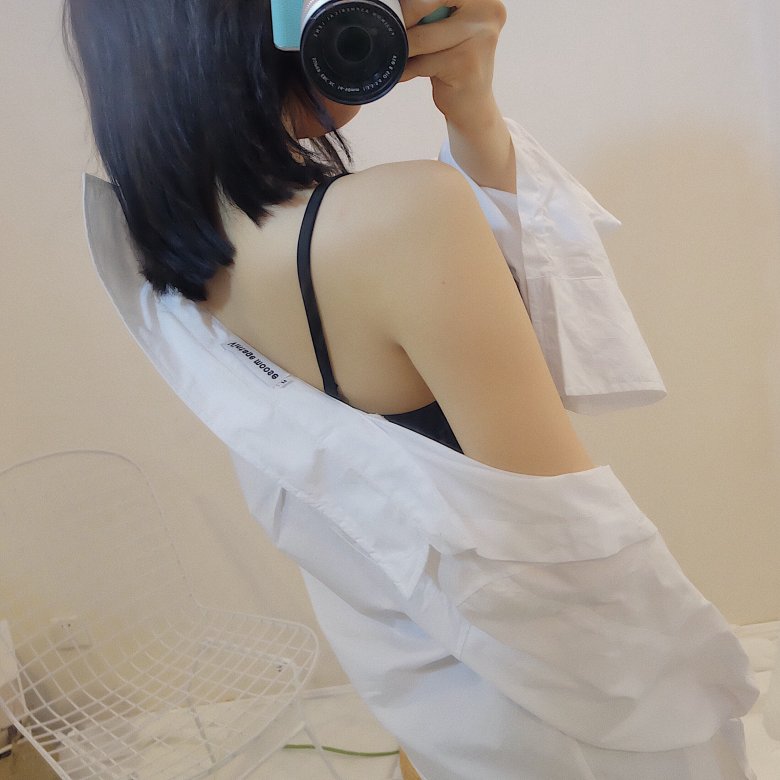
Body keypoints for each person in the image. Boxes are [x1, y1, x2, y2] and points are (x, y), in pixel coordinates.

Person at [67, 1, 759, 778]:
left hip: (425, 695)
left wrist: (472, 109)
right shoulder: (398, 219)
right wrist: (695, 693)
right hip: (559, 730)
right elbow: (575, 564)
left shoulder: (161, 245)